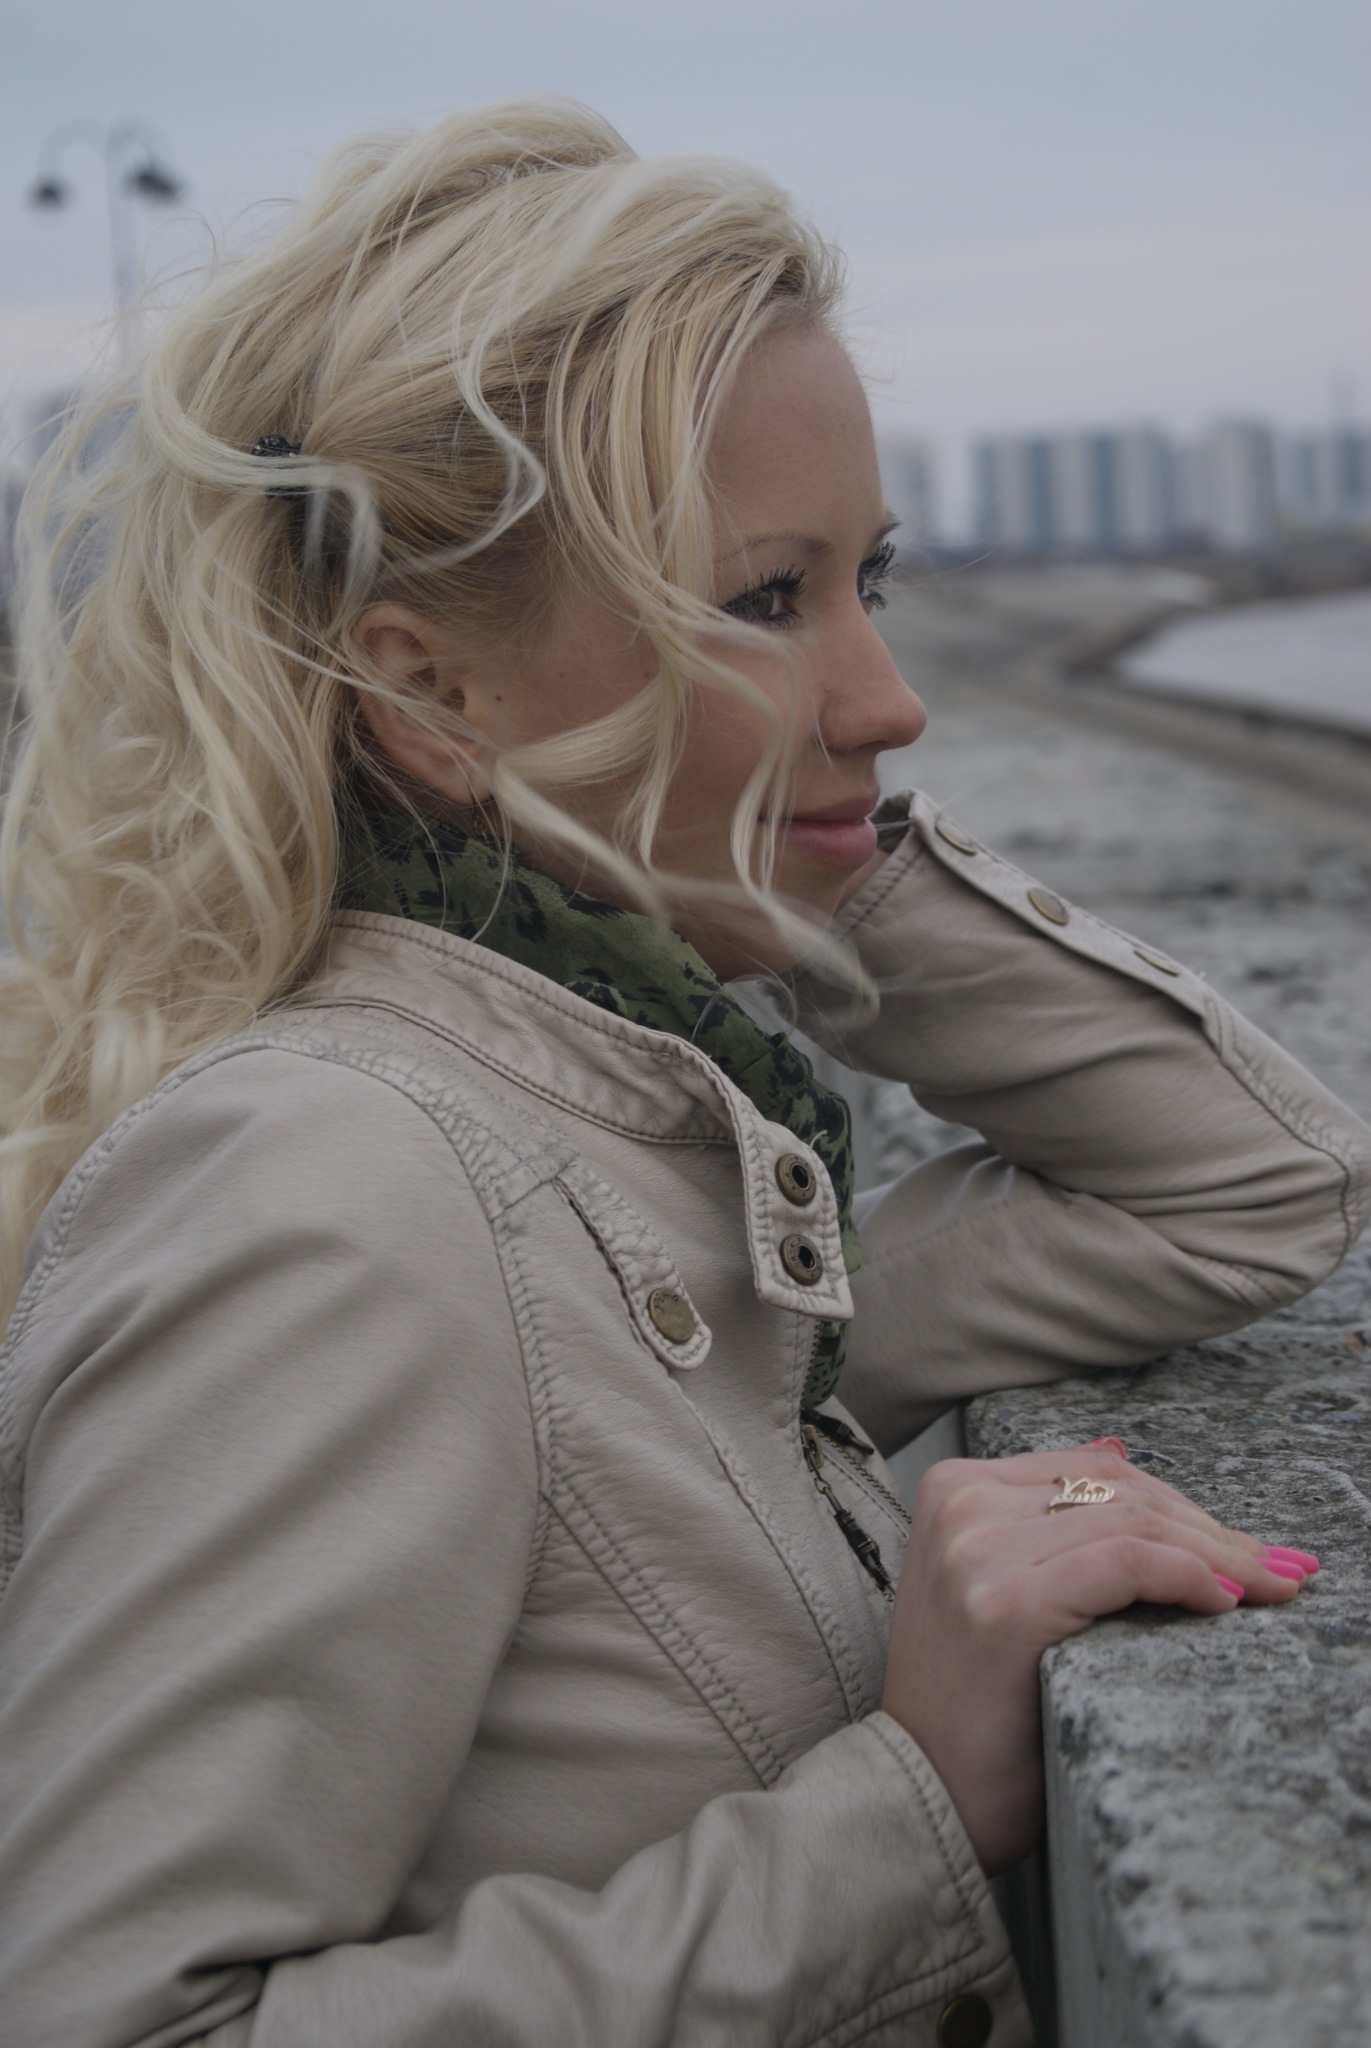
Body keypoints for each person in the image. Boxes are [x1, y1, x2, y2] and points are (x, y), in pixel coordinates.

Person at [0, 102, 1365, 2048]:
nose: (893, 696)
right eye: (763, 599)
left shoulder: (627, 1151)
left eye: (872, 577)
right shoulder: (338, 1191)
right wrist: (904, 1815)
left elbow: (1247, 1181)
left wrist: (797, 848)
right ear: (431, 693)